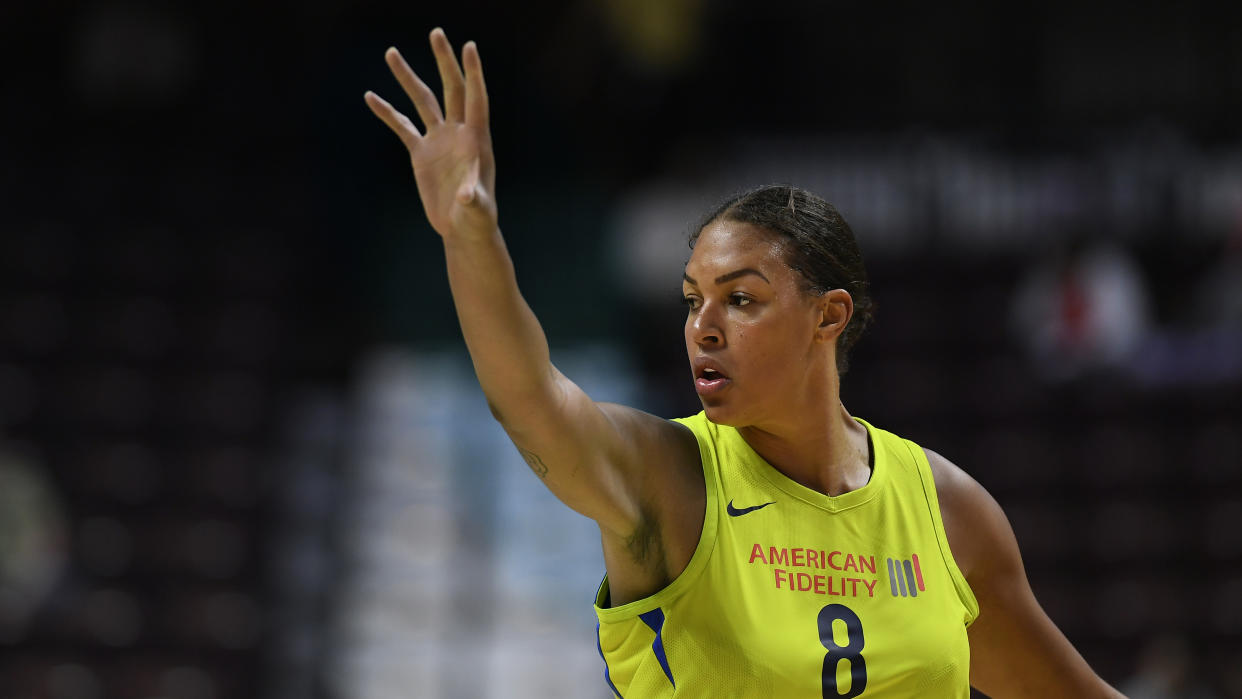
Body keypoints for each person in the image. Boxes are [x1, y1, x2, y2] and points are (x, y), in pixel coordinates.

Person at [363, 28, 1126, 698]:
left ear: (828, 316)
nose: (703, 327)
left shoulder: (950, 512)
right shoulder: (668, 477)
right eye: (693, 299)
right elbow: (527, 397)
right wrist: (469, 234)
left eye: (741, 300)